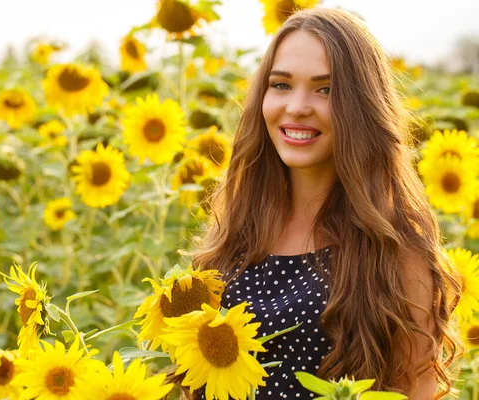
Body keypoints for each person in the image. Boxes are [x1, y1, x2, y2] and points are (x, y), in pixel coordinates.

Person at [190, 7, 462, 400]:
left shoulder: (395, 251)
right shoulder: (234, 232)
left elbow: (417, 389)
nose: (297, 106)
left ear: (363, 106)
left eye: (326, 89)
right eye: (281, 85)